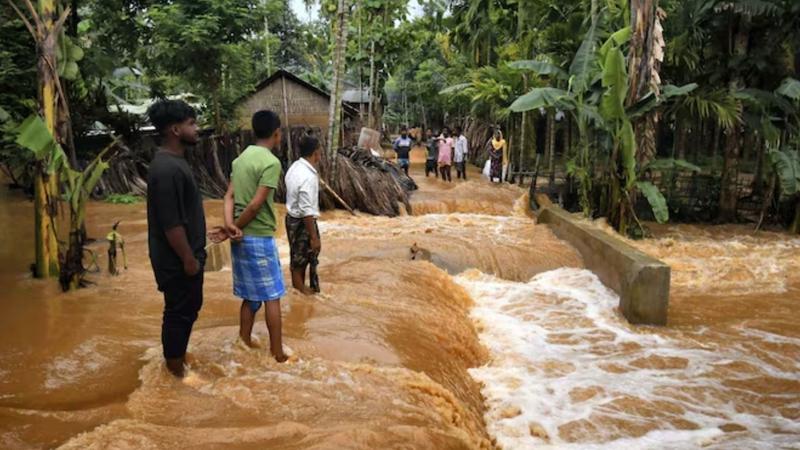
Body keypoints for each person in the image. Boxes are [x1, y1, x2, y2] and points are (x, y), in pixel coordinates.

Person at [145, 99, 205, 378]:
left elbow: (182, 214)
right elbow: (171, 224)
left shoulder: (173, 163)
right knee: (179, 313)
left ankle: (176, 361)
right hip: (177, 261)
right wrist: (188, 258)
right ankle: (174, 372)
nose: (197, 128)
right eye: (191, 123)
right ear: (175, 130)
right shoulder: (166, 169)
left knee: (186, 309)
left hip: (182, 256)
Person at [223, 110, 288, 363]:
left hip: (239, 240)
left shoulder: (240, 160)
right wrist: (236, 227)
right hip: (258, 237)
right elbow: (255, 205)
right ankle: (278, 353)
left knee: (250, 296)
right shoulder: (271, 162)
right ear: (276, 133)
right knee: (273, 295)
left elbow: (228, 196)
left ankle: (244, 341)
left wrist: (230, 227)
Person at [284, 135, 322, 296]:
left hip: (291, 218)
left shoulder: (294, 167)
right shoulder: (307, 176)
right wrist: (314, 237)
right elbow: (307, 210)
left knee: (298, 255)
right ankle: (300, 290)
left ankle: (299, 288)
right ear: (315, 153)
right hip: (302, 221)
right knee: (303, 256)